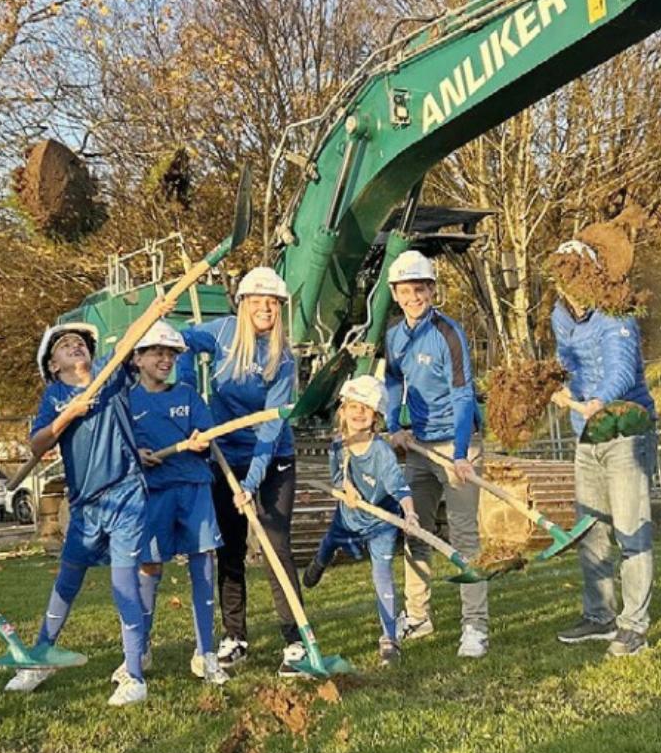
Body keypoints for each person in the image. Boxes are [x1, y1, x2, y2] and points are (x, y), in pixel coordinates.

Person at [8, 316, 163, 705]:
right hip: (85, 505)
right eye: (65, 346)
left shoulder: (110, 374)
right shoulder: (55, 396)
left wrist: (157, 308)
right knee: (67, 580)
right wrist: (70, 414)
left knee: (124, 582)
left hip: (126, 494)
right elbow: (37, 444)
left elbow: (128, 342)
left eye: (80, 342)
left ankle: (134, 675)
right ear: (53, 365)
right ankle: (41, 658)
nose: (75, 345)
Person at [182, 267, 304, 675]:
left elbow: (271, 427)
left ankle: (295, 640)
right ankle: (235, 637)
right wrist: (189, 392)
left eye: (273, 302)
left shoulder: (282, 358)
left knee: (274, 545)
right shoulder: (222, 333)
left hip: (272, 457)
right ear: (243, 303)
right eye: (258, 301)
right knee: (229, 548)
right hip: (224, 455)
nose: (266, 308)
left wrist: (251, 483)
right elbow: (178, 341)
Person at [550, 239, 657, 658]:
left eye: (580, 275)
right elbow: (567, 363)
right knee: (590, 530)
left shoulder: (617, 314)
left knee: (631, 528)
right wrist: (558, 385)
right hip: (586, 434)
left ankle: (634, 626)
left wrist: (600, 400)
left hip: (625, 431)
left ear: (594, 276)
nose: (573, 287)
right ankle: (599, 616)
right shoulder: (560, 316)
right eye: (566, 277)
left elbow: (622, 371)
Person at [381, 249, 489, 659]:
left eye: (420, 289)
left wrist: (460, 452)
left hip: (458, 446)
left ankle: (475, 626)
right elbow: (394, 383)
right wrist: (394, 425)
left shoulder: (449, 334)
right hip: (420, 446)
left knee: (463, 536)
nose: (414, 297)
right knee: (415, 530)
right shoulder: (394, 336)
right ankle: (418, 616)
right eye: (406, 291)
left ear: (431, 290)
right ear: (395, 294)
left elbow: (463, 395)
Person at [126, 321, 227, 686]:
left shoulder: (188, 395)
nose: (165, 359)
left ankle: (206, 654)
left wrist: (202, 440)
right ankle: (139, 649)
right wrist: (136, 453)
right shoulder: (127, 401)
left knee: (203, 562)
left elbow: (207, 435)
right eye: (157, 352)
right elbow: (121, 446)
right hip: (152, 493)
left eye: (170, 354)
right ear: (138, 358)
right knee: (149, 565)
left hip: (194, 488)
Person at [308, 375, 417, 665]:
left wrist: (410, 512)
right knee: (329, 543)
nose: (359, 413)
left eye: (366, 408)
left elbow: (399, 487)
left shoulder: (381, 452)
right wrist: (345, 486)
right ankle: (319, 562)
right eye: (354, 406)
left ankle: (390, 639)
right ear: (343, 411)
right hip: (348, 518)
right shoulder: (337, 446)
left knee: (382, 573)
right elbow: (335, 477)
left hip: (382, 522)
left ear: (376, 417)